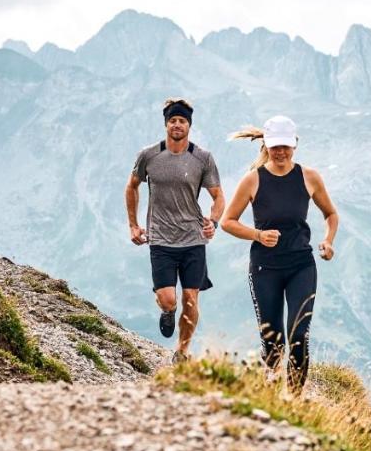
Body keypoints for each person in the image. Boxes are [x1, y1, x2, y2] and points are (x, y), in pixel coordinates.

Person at [221, 115, 338, 393]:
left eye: (286, 146)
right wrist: (258, 235)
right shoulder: (253, 180)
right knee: (273, 342)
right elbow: (227, 221)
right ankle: (269, 393)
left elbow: (331, 214)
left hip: (301, 266)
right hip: (265, 269)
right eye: (275, 146)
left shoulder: (309, 177)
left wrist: (328, 241)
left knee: (298, 335)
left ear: (295, 144)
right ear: (266, 145)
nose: (281, 152)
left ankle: (294, 401)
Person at [125, 98, 224, 362]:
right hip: (160, 238)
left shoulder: (202, 158)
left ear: (189, 125)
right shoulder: (149, 155)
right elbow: (132, 187)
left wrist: (213, 223)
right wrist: (134, 225)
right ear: (166, 124)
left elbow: (218, 197)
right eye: (172, 121)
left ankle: (182, 351)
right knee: (169, 299)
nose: (177, 125)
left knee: (191, 299)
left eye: (182, 121)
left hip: (193, 239)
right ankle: (168, 312)